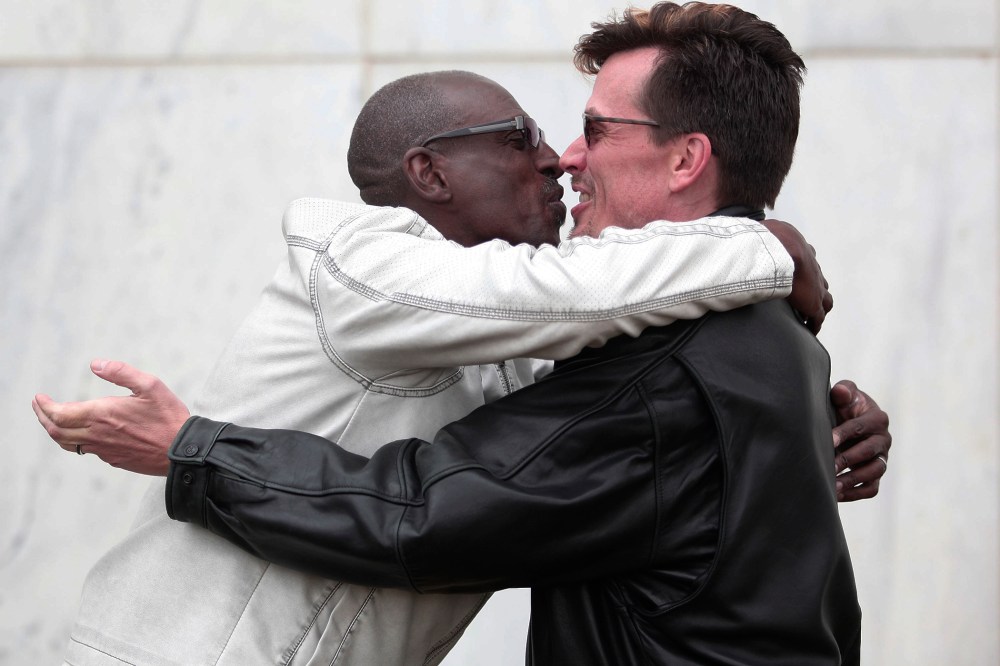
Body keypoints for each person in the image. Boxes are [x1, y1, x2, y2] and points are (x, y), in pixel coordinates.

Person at [35, 4, 890, 665]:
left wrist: (798, 432)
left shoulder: (668, 352)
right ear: (429, 173)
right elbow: (538, 340)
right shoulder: (362, 260)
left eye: (593, 130)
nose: (562, 157)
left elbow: (443, 506)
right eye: (524, 139)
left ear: (685, 158)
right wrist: (764, 248)